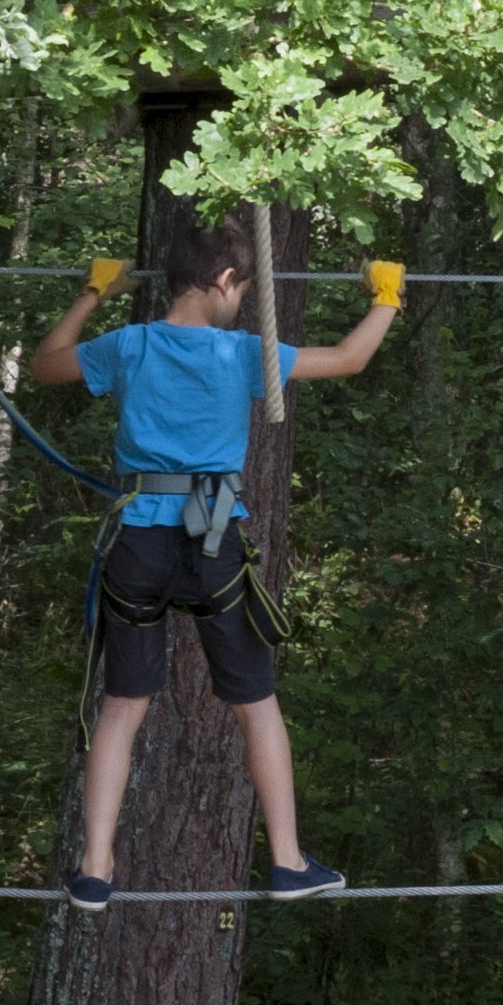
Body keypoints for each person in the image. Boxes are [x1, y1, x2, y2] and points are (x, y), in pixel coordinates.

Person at [29, 215, 404, 909]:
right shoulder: (242, 356)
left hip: (139, 535)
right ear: (228, 280)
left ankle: (95, 868)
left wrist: (91, 293)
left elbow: (45, 363)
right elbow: (351, 358)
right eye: (243, 290)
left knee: (121, 707)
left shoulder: (130, 345)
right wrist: (385, 299)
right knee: (256, 705)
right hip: (210, 535)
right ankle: (288, 862)